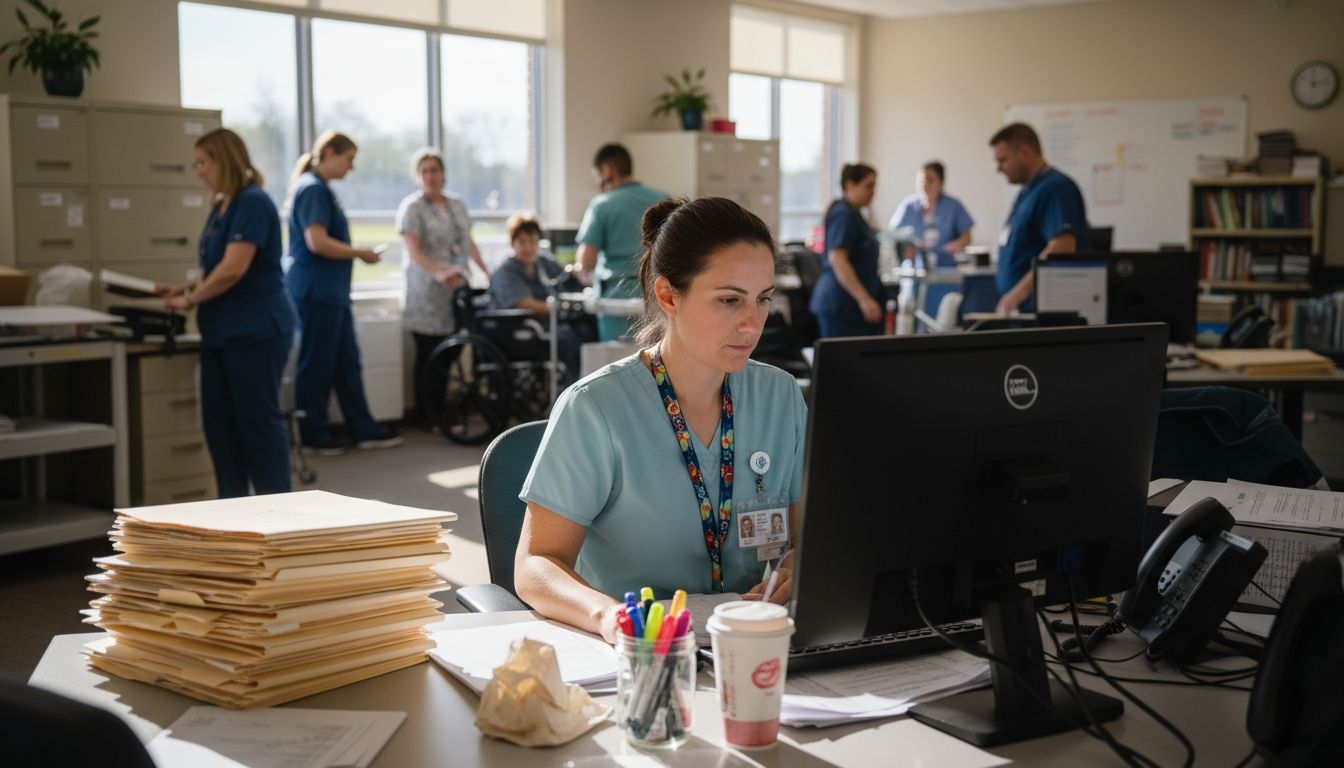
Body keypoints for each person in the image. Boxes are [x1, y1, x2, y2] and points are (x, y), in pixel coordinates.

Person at [515, 197, 808, 643]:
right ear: (668, 295)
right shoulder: (596, 409)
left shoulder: (781, 397)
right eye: (729, 300)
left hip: (753, 642)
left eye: (762, 299)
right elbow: (535, 566)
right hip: (643, 652)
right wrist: (607, 618)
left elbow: (813, 534)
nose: (752, 324)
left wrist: (795, 566)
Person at [157, 128, 295, 498]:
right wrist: (185, 288)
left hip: (255, 330)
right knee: (220, 430)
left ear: (223, 160)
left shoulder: (252, 202)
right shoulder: (222, 205)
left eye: (203, 163)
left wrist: (191, 301)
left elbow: (235, 268)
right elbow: (214, 266)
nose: (198, 171)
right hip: (221, 332)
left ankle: (279, 515)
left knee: (257, 429)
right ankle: (232, 514)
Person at [285, 130, 402, 455]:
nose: (351, 167)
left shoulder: (322, 190)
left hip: (331, 292)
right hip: (316, 291)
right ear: (331, 153)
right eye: (349, 159)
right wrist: (358, 252)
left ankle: (363, 428)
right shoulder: (312, 189)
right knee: (317, 363)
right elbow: (317, 242)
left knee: (346, 362)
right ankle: (313, 433)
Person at [396, 147, 491, 424]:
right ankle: (428, 414)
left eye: (434, 170)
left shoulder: (456, 205)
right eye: (424, 171)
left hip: (456, 289)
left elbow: (468, 242)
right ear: (417, 176)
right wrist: (438, 273)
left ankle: (441, 409)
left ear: (443, 174)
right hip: (425, 292)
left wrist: (485, 271)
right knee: (428, 354)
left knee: (452, 350)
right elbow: (414, 252)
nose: (430, 176)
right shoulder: (412, 208)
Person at [989, 123, 1088, 315]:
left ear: (1025, 152)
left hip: (1039, 310)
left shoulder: (1055, 188)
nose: (998, 168)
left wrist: (1018, 293)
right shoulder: (1027, 191)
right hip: (1021, 309)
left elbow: (1062, 246)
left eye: (1003, 160)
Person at [575, 143, 669, 341]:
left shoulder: (602, 204)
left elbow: (586, 262)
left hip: (617, 298)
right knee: (657, 358)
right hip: (657, 294)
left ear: (607, 171)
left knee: (618, 363)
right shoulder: (662, 199)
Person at [490, 213, 589, 386]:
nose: (528, 247)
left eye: (533, 241)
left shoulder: (544, 263)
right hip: (522, 330)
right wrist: (558, 307)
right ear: (512, 243)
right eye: (522, 241)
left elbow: (568, 281)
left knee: (587, 329)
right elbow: (523, 303)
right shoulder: (505, 273)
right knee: (567, 337)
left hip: (550, 324)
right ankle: (573, 389)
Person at [809, 164, 883, 338]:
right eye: (868, 186)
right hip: (840, 304)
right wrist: (864, 299)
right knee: (842, 362)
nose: (873, 191)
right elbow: (838, 259)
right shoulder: (843, 215)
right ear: (850, 185)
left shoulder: (855, 214)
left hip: (848, 304)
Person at [887, 161, 974, 268]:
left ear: (941, 183)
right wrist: (905, 246)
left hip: (945, 268)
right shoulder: (908, 206)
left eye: (931, 180)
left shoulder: (953, 206)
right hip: (913, 269)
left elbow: (967, 237)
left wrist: (954, 246)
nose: (925, 185)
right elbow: (893, 232)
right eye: (921, 180)